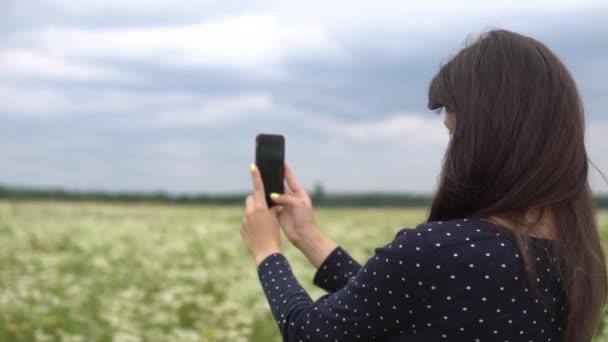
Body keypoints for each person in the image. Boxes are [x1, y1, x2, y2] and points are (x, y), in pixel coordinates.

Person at [240, 29, 607, 342]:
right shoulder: (577, 256)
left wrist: (267, 252)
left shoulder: (439, 251)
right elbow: (404, 299)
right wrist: (309, 238)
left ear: (489, 136)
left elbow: (311, 333)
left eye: (454, 133)